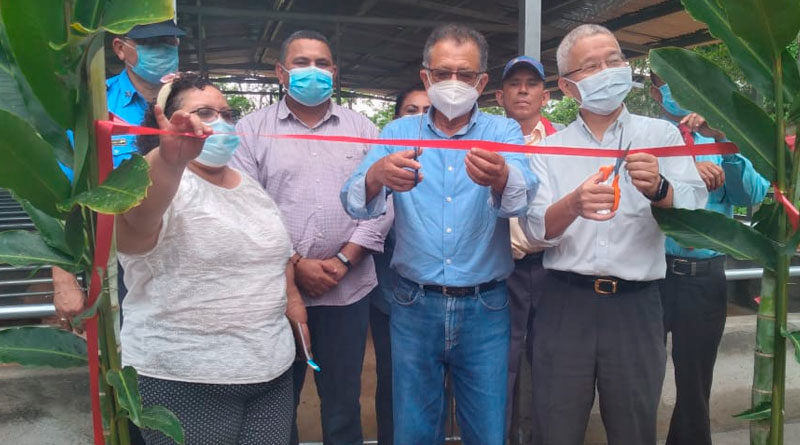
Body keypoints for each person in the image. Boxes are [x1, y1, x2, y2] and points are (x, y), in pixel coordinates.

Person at [341, 24, 538, 445]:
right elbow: (354, 202)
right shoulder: (396, 134)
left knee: (486, 430)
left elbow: (524, 197)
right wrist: (375, 176)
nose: (454, 83)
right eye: (443, 72)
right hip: (413, 303)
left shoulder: (502, 134)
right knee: (413, 429)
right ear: (425, 77)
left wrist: (503, 177)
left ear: (482, 82)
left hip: (485, 304)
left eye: (465, 75)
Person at [520, 24, 708, 444]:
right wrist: (573, 204)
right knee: (555, 426)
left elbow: (696, 217)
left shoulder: (660, 136)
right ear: (568, 87)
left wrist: (661, 190)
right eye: (591, 66)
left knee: (634, 428)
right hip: (565, 304)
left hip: (636, 308)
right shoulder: (550, 149)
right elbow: (535, 231)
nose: (608, 70)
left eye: (614, 60)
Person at [116, 73, 307, 445]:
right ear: (166, 122)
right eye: (204, 112)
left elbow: (276, 255)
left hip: (269, 373)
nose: (219, 122)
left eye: (225, 112)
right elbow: (133, 230)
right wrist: (168, 160)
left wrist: (294, 305)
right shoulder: (153, 182)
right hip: (184, 378)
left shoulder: (247, 185)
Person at [230, 30, 393, 445]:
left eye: (322, 63)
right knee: (278, 403)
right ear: (280, 72)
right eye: (301, 63)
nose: (312, 71)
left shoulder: (363, 130)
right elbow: (246, 208)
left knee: (343, 403)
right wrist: (296, 264)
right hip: (278, 295)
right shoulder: (251, 131)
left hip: (348, 291)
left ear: (334, 72)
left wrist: (342, 261)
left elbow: (383, 204)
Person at [650, 72, 769, 445]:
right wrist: (683, 175)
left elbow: (750, 194)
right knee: (638, 373)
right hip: (650, 275)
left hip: (702, 279)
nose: (676, 93)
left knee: (695, 380)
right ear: (657, 94)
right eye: (666, 84)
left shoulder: (723, 140)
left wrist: (721, 140)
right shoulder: (646, 137)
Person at [53, 20, 185, 319]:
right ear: (120, 49)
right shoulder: (94, 104)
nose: (163, 50)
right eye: (152, 44)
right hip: (118, 259)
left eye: (170, 42)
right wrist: (63, 275)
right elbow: (64, 192)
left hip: (189, 258)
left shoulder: (195, 100)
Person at [494, 55, 560, 438]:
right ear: (500, 95)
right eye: (514, 83)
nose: (522, 90)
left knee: (551, 368)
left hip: (554, 268)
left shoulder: (565, 140)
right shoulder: (486, 139)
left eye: (531, 83)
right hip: (503, 270)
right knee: (502, 369)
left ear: (545, 95)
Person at [367, 85, 431, 445]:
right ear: (396, 120)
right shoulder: (384, 161)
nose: (420, 117)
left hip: (443, 299)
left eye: (428, 110)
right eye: (411, 110)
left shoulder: (458, 165)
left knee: (437, 386)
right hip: (392, 299)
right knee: (394, 382)